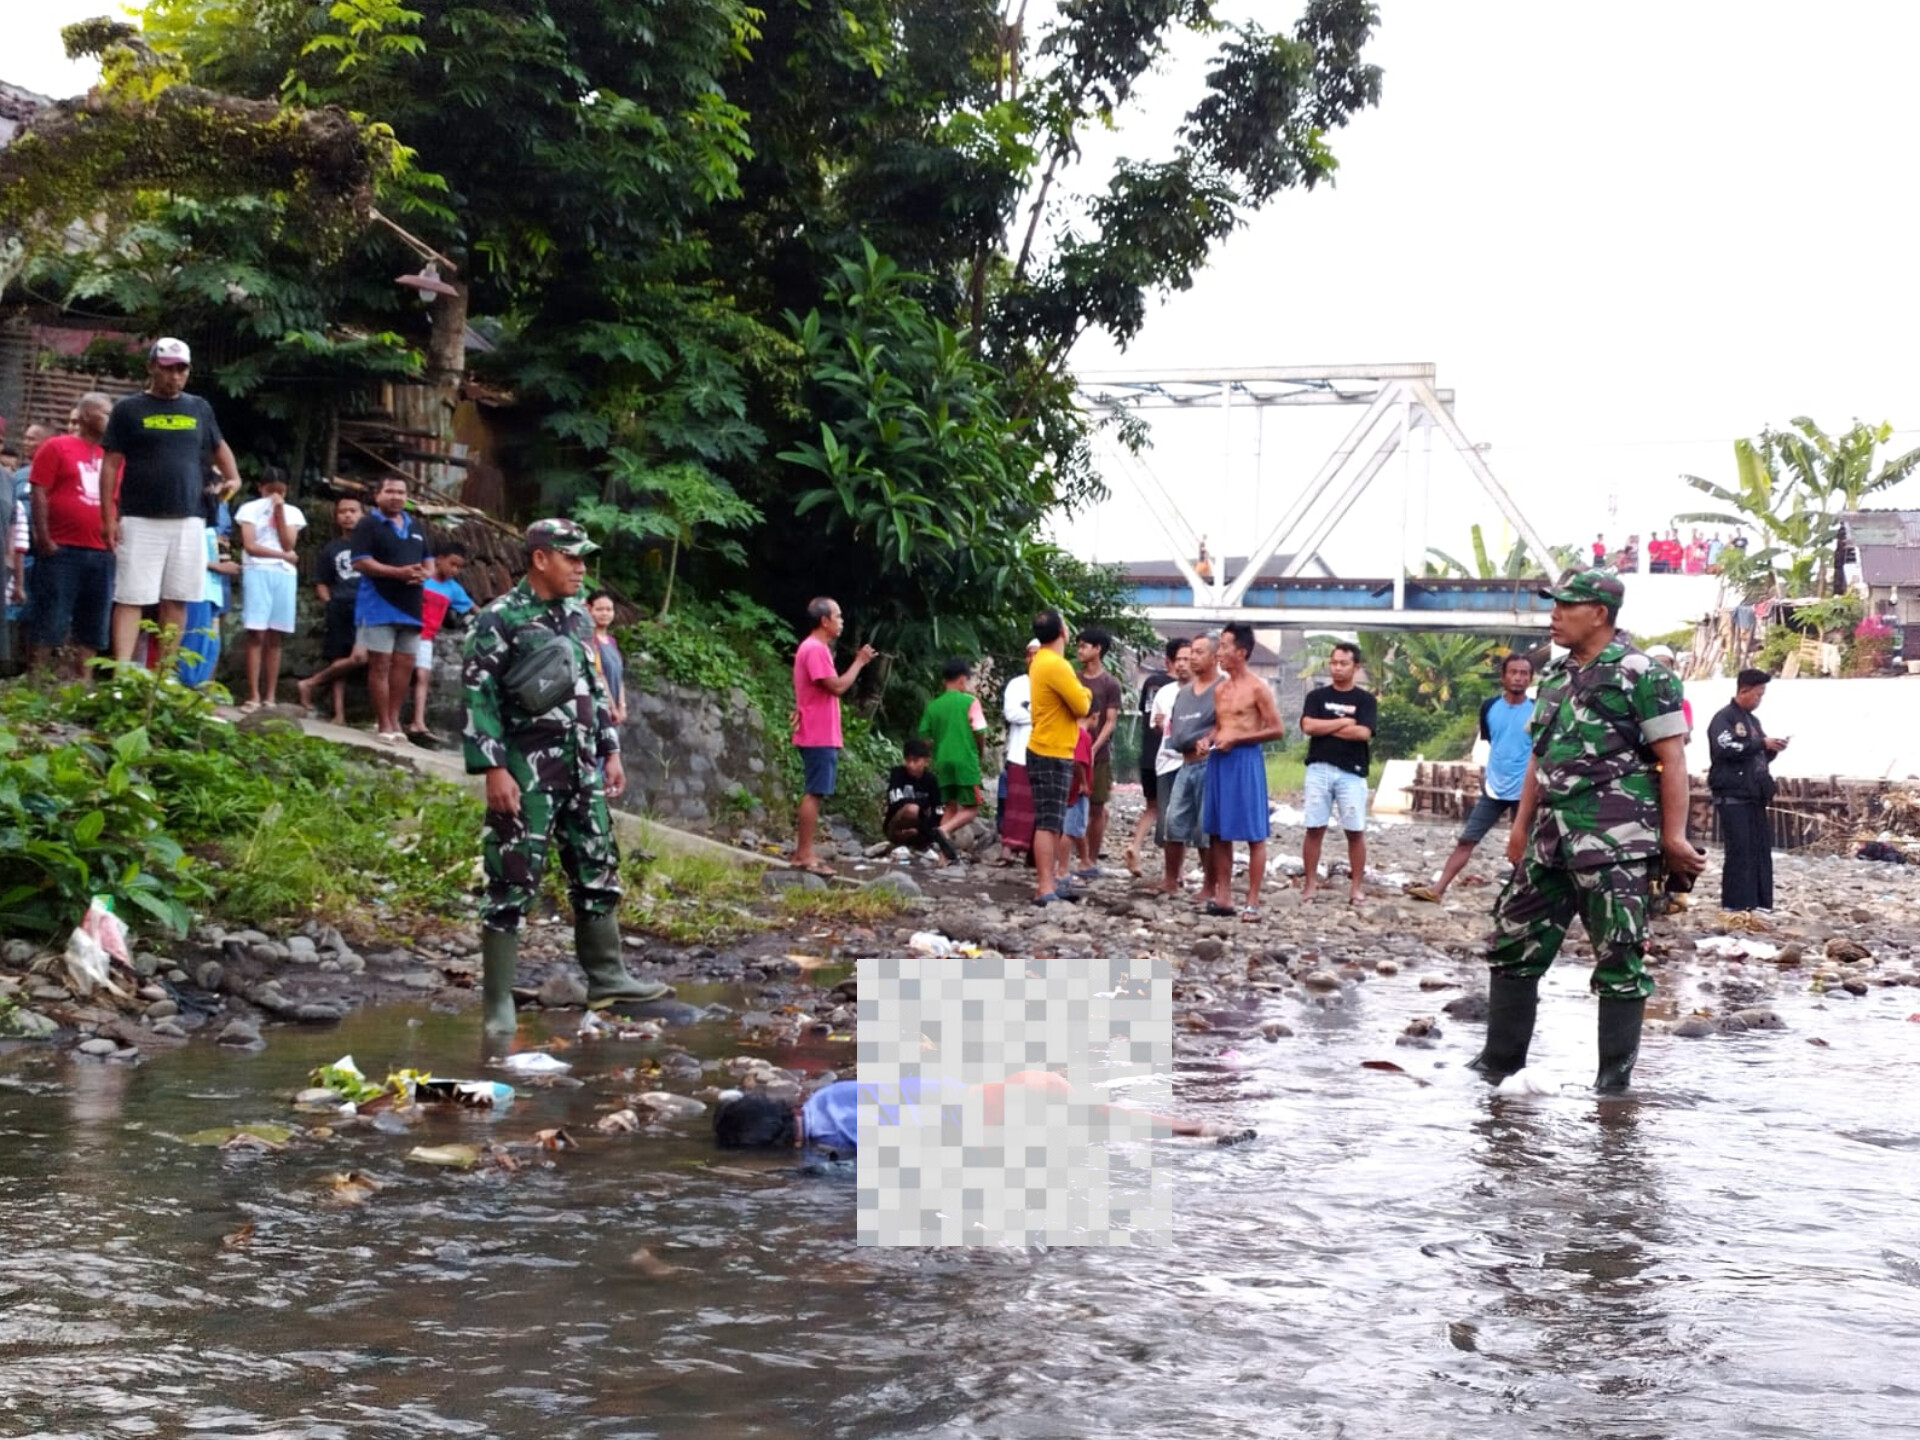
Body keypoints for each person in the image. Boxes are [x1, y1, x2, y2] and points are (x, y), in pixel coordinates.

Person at [1470, 570, 1704, 1092]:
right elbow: (1539, 756)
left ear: (1598, 613)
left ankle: (1612, 1088)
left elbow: (1673, 759)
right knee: (1511, 943)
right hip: (1550, 840)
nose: (1553, 614)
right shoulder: (1553, 676)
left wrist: (1674, 837)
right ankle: (1497, 1065)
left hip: (1616, 841)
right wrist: (1520, 828)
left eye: (1565, 606)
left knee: (1620, 957)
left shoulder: (1645, 674)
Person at [462, 518, 669, 1036]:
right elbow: (477, 696)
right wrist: (493, 768)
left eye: (582, 558)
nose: (581, 567)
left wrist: (610, 750)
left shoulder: (578, 619)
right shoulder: (499, 619)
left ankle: (608, 979)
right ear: (539, 559)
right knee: (511, 877)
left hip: (581, 768)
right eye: (571, 557)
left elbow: (594, 689)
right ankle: (497, 1006)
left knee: (597, 867)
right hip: (526, 770)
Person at [713, 1067, 1248, 1155]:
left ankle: (1196, 1135)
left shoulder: (830, 1139)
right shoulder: (825, 1098)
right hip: (993, 1091)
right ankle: (1198, 1126)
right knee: (1100, 1117)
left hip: (983, 1120)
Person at [100, 339, 242, 662]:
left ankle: (163, 678)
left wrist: (234, 476)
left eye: (182, 369)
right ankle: (122, 674)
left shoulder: (199, 407)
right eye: (167, 368)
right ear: (151, 367)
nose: (175, 376)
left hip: (189, 517)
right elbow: (110, 463)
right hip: (138, 517)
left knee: (177, 597)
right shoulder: (128, 409)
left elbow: (218, 444)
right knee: (131, 597)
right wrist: (107, 516)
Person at [1408, 654, 1535, 904]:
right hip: (1494, 788)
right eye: (1514, 672)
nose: (1519, 677)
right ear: (1503, 676)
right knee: (1467, 839)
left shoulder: (1537, 709)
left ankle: (1523, 899)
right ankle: (1437, 889)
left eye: (1524, 673)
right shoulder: (1489, 707)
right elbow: (1494, 742)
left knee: (1524, 846)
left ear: (1530, 678)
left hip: (1526, 790)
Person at [23, 392, 114, 676]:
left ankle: (81, 685)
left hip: (101, 551)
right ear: (86, 415)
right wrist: (44, 537)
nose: (110, 419)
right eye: (104, 413)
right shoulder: (56, 447)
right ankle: (35, 682)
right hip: (62, 549)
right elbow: (39, 491)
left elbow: (116, 500)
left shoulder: (112, 456)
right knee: (50, 617)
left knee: (93, 623)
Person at [1200, 622, 1283, 918]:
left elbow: (1276, 729)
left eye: (1224, 646)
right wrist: (1208, 738)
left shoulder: (1258, 688)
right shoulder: (1220, 689)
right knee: (1218, 832)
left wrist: (1237, 739)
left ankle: (1253, 900)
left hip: (1245, 760)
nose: (1219, 652)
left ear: (1241, 652)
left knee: (1253, 833)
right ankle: (1223, 896)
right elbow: (1221, 727)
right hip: (1219, 760)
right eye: (1219, 646)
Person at [790, 597, 877, 877]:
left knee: (815, 791)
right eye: (838, 616)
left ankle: (805, 851)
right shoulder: (815, 649)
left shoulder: (815, 648)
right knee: (814, 792)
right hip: (818, 732)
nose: (841, 621)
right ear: (824, 621)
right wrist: (860, 663)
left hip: (817, 729)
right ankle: (803, 854)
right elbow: (837, 686)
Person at [350, 474, 430, 742]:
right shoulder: (368, 524)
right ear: (378, 495)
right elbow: (360, 562)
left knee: (405, 664)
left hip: (411, 606)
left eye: (401, 492)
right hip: (379, 603)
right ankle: (382, 723)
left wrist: (423, 575)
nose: (396, 496)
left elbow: (429, 561)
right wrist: (397, 573)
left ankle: (395, 720)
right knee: (380, 665)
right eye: (390, 491)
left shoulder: (416, 525)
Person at [1299, 641, 1377, 904]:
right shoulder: (1316, 697)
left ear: (1356, 667)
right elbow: (1308, 726)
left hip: (1352, 773)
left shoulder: (1365, 700)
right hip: (1318, 767)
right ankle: (1310, 884)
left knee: (1355, 830)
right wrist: (1344, 722)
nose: (1337, 668)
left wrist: (1326, 726)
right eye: (1333, 663)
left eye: (1343, 663)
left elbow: (1363, 732)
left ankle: (1356, 888)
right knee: (1314, 827)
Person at [1026, 609, 1092, 905]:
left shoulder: (1040, 660)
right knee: (1048, 822)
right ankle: (1044, 885)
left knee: (1050, 820)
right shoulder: (1057, 665)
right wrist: (1086, 694)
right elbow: (1081, 705)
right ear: (1062, 632)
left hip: (1044, 746)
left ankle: (1048, 882)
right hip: (1052, 750)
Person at [1708, 669, 1784, 912]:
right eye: (1758, 695)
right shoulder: (1724, 718)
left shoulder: (1753, 722)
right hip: (1733, 796)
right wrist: (1760, 744)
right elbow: (1726, 748)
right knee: (1739, 851)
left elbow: (1755, 755)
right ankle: (1736, 904)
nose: (1759, 700)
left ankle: (1760, 902)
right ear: (1743, 690)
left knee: (1760, 851)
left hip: (1755, 795)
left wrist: (1771, 748)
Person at [232, 467, 306, 709]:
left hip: (283, 575)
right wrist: (284, 556)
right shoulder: (249, 509)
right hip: (257, 570)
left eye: (280, 491)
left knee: (276, 636)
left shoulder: (293, 512)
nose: (275, 495)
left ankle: (270, 696)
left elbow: (289, 542)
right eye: (270, 490)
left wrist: (280, 512)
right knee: (256, 633)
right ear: (261, 488)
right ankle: (252, 694)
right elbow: (251, 545)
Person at [1159, 631, 1221, 899]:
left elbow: (1227, 723)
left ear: (1215, 656)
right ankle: (1170, 880)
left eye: (1198, 652)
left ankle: (1210, 886)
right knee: (1173, 822)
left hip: (1210, 764)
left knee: (1204, 829)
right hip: (1183, 763)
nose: (1192, 658)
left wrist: (1209, 738)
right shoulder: (1183, 693)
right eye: (1190, 652)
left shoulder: (1222, 689)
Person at [297, 494, 369, 723]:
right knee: (338, 658)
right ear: (336, 517)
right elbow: (321, 581)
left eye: (353, 511)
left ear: (362, 514)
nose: (347, 515)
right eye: (342, 512)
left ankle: (310, 682)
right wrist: (329, 601)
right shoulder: (331, 548)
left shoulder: (372, 546)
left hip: (367, 607)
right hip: (339, 606)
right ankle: (338, 714)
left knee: (362, 657)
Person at [1125, 637, 1189, 875]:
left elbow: (1149, 714)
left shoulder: (1153, 683)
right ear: (1171, 661)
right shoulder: (1172, 689)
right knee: (1174, 812)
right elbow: (1158, 721)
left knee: (1153, 806)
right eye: (1180, 659)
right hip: (1168, 756)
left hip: (1149, 755)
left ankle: (1136, 844)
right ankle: (1176, 871)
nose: (1183, 664)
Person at [915, 657, 988, 842]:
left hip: (942, 761)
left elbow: (924, 737)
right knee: (972, 808)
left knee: (949, 806)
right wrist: (979, 753)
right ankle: (945, 829)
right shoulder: (970, 702)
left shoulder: (933, 706)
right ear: (963, 679)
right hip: (965, 760)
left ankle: (943, 857)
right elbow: (979, 732)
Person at [177, 475, 239, 689]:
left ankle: (200, 691)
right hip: (197, 589)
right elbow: (184, 553)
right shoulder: (192, 518)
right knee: (192, 642)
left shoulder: (216, 523)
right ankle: (183, 689)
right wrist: (217, 566)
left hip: (213, 590)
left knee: (209, 644)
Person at [408, 541, 474, 741]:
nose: (455, 570)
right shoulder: (423, 579)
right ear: (439, 559)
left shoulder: (454, 589)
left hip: (426, 637)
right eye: (452, 564)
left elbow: (472, 608)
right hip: (408, 631)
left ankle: (418, 722)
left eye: (459, 567)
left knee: (422, 677)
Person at [1074, 626, 1122, 876]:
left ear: (1097, 649)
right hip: (1071, 750)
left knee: (1096, 806)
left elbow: (1110, 720)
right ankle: (1078, 856)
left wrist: (1093, 747)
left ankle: (1091, 857)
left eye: (1084, 646)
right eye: (1078, 646)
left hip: (1099, 754)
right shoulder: (1073, 678)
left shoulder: (1110, 683)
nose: (1079, 650)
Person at [996, 639, 1040, 862]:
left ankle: (1035, 852)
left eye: (1037, 654)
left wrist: (1030, 712)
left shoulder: (1052, 682)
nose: (1033, 659)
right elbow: (1011, 713)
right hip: (1019, 752)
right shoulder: (1016, 684)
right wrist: (1038, 715)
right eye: (1029, 654)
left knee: (1038, 805)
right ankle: (1009, 848)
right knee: (1015, 803)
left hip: (1045, 753)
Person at [883, 736, 953, 861]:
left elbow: (938, 809)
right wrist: (922, 804)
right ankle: (899, 842)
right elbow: (895, 801)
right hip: (895, 826)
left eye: (915, 761)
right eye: (908, 761)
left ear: (926, 762)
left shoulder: (931, 780)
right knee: (912, 809)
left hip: (921, 829)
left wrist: (929, 829)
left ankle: (921, 843)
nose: (910, 765)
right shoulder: (898, 774)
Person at [586, 590, 627, 725]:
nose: (605, 613)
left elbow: (619, 676)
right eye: (599, 609)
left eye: (609, 609)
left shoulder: (612, 641)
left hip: (615, 709)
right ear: (589, 610)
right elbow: (599, 675)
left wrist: (622, 706)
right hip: (598, 708)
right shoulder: (590, 641)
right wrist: (611, 707)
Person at [1063, 719, 1095, 867]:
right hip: (1078, 789)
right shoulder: (1083, 735)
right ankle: (1062, 868)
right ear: (1093, 715)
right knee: (1069, 830)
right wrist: (1083, 782)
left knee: (1078, 826)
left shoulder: (1068, 731)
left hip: (1068, 786)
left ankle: (1085, 860)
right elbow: (1078, 761)